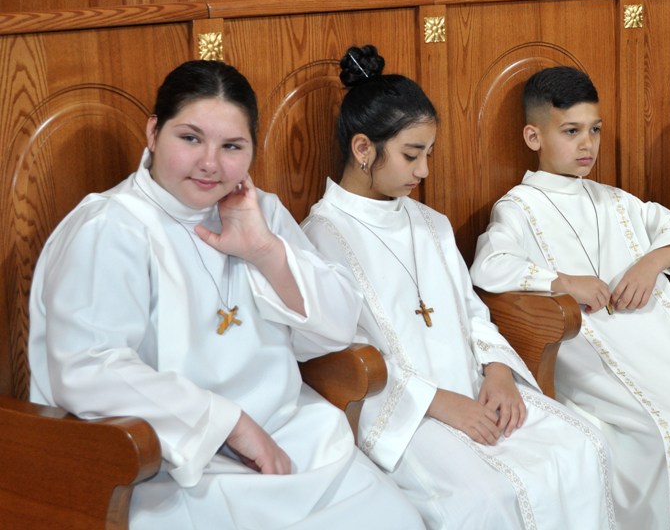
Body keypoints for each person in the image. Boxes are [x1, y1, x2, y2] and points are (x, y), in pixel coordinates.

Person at [27, 60, 423, 530]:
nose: (210, 163)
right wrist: (229, 424)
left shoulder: (260, 211)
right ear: (153, 132)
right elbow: (88, 368)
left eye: (232, 146)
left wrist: (265, 251)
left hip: (296, 438)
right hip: (172, 464)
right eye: (190, 138)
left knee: (398, 519)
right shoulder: (111, 227)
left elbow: (338, 327)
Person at [301, 46, 617, 530]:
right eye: (411, 155)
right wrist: (442, 404)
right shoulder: (321, 238)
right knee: (481, 500)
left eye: (428, 154)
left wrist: (500, 373)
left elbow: (472, 312)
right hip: (405, 414)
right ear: (363, 149)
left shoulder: (432, 224)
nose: (423, 171)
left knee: (583, 447)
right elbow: (347, 355)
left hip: (476, 386)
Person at [471, 66, 670, 530]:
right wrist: (563, 281)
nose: (588, 144)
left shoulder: (614, 199)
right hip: (590, 356)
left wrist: (651, 262)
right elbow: (490, 264)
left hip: (657, 345)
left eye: (595, 130)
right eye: (571, 131)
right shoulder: (518, 206)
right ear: (533, 136)